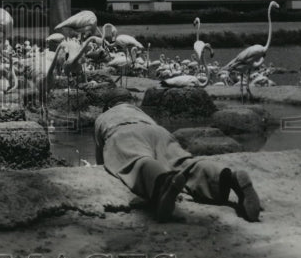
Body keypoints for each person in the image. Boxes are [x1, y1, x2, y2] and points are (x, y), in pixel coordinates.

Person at [93, 92, 261, 222]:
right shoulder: (139, 111)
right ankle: (227, 177)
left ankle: (164, 184)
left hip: (122, 132)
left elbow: (100, 159)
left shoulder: (103, 117)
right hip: (157, 131)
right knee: (184, 162)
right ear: (131, 102)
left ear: (108, 106)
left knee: (138, 161)